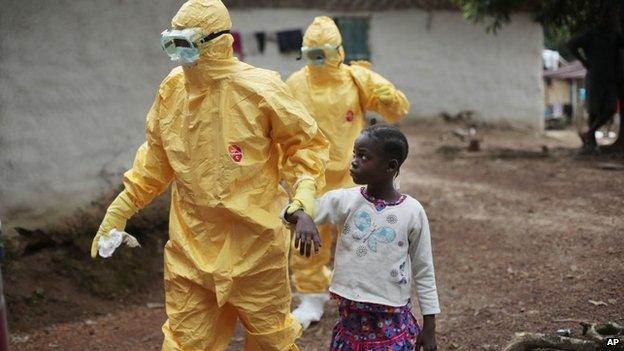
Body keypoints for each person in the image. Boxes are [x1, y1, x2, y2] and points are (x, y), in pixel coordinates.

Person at [89, 0, 329, 349]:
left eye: (186, 45)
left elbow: (304, 145)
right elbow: (154, 161)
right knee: (185, 342)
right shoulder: (172, 90)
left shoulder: (260, 89)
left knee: (271, 340)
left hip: (256, 247)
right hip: (192, 250)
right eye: (172, 44)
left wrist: (303, 197)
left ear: (217, 42)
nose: (179, 55)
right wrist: (122, 208)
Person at [286, 16, 411, 329]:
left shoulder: (356, 79)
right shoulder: (294, 84)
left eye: (322, 54)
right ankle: (311, 297)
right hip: (310, 178)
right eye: (310, 53)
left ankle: (364, 293)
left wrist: (386, 97)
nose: (317, 61)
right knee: (307, 240)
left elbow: (396, 111)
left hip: (352, 175)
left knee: (360, 236)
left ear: (337, 52)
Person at [285, 124, 439, 350]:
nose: (354, 161)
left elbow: (424, 269)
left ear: (391, 166)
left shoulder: (412, 212)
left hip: (392, 320)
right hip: (351, 324)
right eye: (355, 154)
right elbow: (287, 213)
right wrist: (301, 216)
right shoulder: (344, 201)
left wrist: (430, 327)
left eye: (364, 156)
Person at [568, 12, 624, 153]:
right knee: (594, 110)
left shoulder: (615, 36)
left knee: (610, 109)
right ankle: (591, 144)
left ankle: (589, 133)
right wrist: (584, 61)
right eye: (607, 18)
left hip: (611, 79)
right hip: (595, 77)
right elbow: (571, 44)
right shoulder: (591, 35)